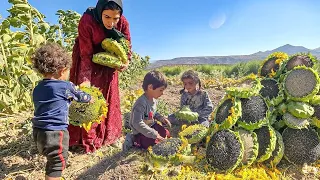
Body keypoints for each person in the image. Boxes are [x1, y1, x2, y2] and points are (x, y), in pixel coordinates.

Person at [68, 0, 131, 153]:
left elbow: (127, 45)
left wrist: (126, 61)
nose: (111, 23)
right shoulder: (88, 20)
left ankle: (110, 137)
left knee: (108, 98)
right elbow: (86, 54)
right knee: (88, 98)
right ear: (100, 11)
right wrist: (85, 80)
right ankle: (83, 139)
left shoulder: (123, 22)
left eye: (115, 18)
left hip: (109, 60)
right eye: (107, 17)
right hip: (87, 56)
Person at [31, 43, 93, 180]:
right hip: (56, 133)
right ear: (62, 70)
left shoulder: (38, 88)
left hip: (38, 132)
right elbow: (80, 96)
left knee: (51, 157)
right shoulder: (65, 86)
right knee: (58, 162)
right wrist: (89, 98)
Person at [124, 71, 172, 150]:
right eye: (161, 90)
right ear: (150, 87)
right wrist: (154, 134)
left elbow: (153, 113)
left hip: (151, 126)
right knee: (152, 143)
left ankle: (154, 137)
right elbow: (137, 123)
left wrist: (161, 118)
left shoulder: (154, 100)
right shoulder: (140, 103)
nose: (162, 93)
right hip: (140, 131)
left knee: (165, 133)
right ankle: (132, 139)